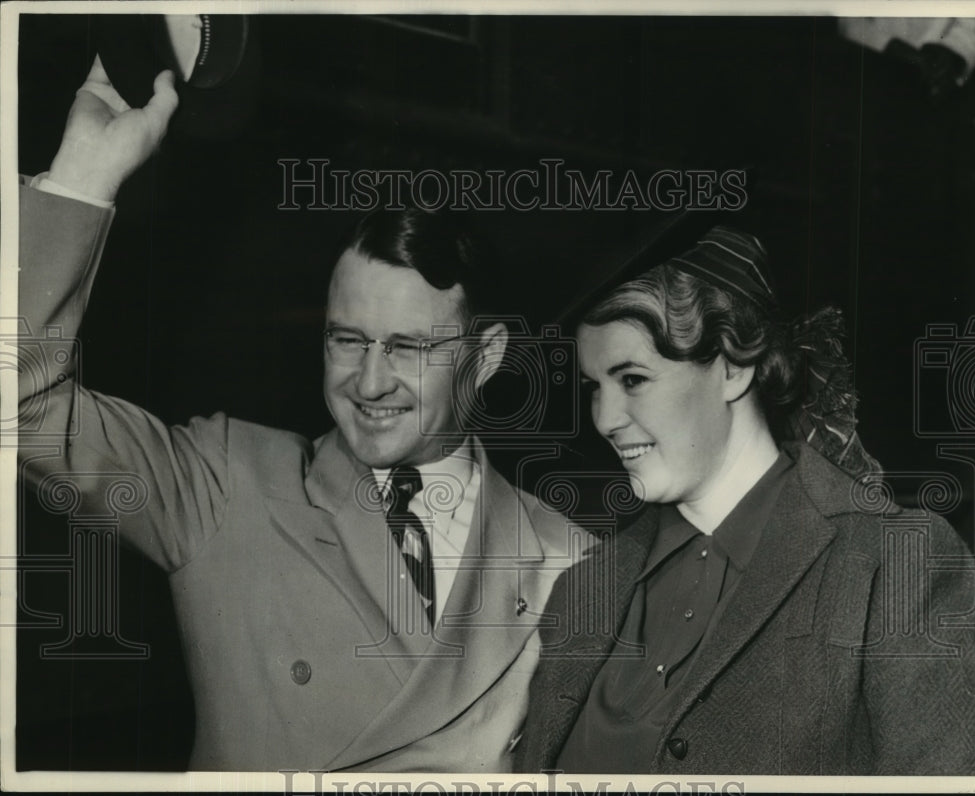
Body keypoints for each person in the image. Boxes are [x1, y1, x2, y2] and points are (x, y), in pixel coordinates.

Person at [17, 59, 586, 772]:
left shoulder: (569, 558)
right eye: (347, 340)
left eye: (407, 347)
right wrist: (82, 177)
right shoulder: (223, 484)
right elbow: (22, 407)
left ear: (488, 353)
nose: (369, 382)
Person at [514, 226, 975, 775]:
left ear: (732, 367)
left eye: (632, 379)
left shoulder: (892, 563)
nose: (604, 419)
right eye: (593, 386)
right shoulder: (584, 587)